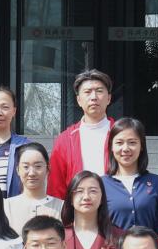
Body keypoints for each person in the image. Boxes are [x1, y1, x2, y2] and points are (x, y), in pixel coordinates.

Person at [47, 70, 115, 199]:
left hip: (115, 208)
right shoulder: (65, 140)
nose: (94, 97)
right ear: (78, 100)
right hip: (77, 208)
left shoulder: (121, 135)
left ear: (109, 98)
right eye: (87, 92)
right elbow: (56, 187)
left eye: (99, 91)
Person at [102, 118, 158, 236]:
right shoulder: (101, 184)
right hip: (114, 248)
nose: (125, 148)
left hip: (149, 247)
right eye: (119, 143)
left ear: (141, 146)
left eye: (132, 142)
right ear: (111, 147)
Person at [4, 142, 63, 235]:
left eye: (38, 166)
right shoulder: (6, 207)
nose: (31, 173)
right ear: (18, 170)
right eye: (26, 167)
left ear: (48, 169)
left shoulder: (62, 207)